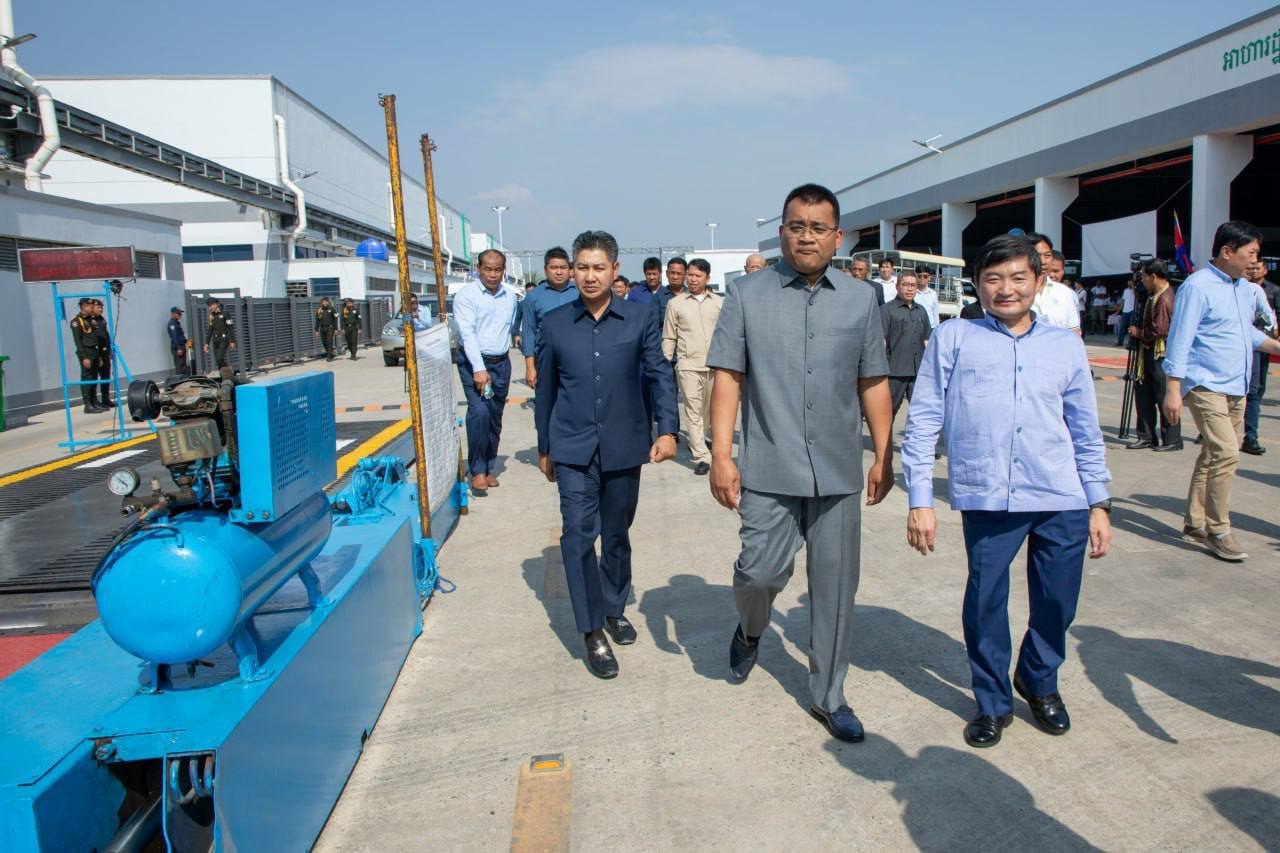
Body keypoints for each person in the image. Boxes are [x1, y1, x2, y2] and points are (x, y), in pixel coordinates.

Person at [903, 234, 1113, 749]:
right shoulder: (954, 337)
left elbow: (1085, 429)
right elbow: (925, 417)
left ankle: (1039, 679)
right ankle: (993, 701)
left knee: (1057, 600)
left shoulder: (1064, 345)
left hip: (1060, 493)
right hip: (988, 495)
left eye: (1019, 277)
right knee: (986, 600)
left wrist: (1098, 501)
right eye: (993, 278)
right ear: (976, 283)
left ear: (1040, 282)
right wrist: (920, 499)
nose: (1006, 289)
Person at [707, 183, 893, 743]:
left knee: (835, 590)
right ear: (782, 231)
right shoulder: (747, 294)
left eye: (818, 228)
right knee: (758, 573)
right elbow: (728, 376)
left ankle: (829, 696)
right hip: (770, 464)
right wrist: (722, 455)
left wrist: (884, 455)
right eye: (796, 226)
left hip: (838, 470)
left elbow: (873, 380)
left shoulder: (861, 299)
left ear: (838, 237)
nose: (806, 237)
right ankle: (750, 629)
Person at [534, 230, 678, 679]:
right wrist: (545, 447)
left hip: (624, 445)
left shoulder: (639, 318)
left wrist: (667, 429)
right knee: (578, 536)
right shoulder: (555, 324)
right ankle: (592, 629)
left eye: (599, 267)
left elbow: (658, 373)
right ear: (572, 271)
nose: (590, 276)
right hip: (573, 446)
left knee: (616, 534)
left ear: (615, 270)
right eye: (582, 267)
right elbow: (546, 390)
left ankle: (614, 607)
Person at [1162, 221, 1280, 562]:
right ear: (1227, 252)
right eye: (1251, 253)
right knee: (1227, 452)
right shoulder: (1197, 287)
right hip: (1205, 383)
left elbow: (1244, 334)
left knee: (1212, 454)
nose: (1256, 261)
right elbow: (1180, 337)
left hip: (1236, 385)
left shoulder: (1244, 289)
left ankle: (1195, 520)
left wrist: (1274, 346)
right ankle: (1218, 529)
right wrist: (1173, 388)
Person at [454, 249, 520, 494]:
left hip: (501, 363)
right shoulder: (466, 296)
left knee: (494, 417)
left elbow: (508, 328)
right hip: (474, 362)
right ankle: (477, 470)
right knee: (479, 413)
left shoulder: (510, 297)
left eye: (497, 270)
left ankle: (489, 465)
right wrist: (479, 368)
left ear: (504, 271)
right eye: (488, 269)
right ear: (478, 269)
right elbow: (467, 334)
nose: (492, 274)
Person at [662, 257, 722, 475]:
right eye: (690, 275)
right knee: (693, 411)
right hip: (688, 365)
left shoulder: (719, 303)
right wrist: (664, 364)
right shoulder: (675, 304)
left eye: (698, 276)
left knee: (708, 411)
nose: (693, 279)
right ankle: (702, 457)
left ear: (707, 278)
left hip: (714, 365)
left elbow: (727, 334)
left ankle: (699, 441)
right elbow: (669, 336)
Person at [1126, 259, 1181, 452]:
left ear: (1153, 276)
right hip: (1148, 352)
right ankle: (1147, 436)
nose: (1142, 280)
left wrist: (1138, 332)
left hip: (1159, 353)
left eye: (1144, 276)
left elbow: (1160, 330)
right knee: (1144, 394)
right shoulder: (1154, 295)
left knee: (1161, 395)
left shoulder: (1165, 297)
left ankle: (1172, 438)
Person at [520, 247, 578, 390]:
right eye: (554, 268)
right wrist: (530, 368)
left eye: (563, 267)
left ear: (569, 270)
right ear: (546, 270)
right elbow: (528, 333)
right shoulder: (533, 297)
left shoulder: (580, 294)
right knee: (546, 401)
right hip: (545, 361)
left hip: (577, 361)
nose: (559, 272)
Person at [881, 272, 931, 420]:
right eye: (905, 285)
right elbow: (881, 341)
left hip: (918, 371)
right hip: (894, 371)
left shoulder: (921, 311)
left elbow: (927, 340)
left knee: (921, 413)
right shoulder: (886, 310)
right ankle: (885, 437)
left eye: (913, 285)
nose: (909, 289)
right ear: (897, 287)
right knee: (889, 412)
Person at [1242, 260, 1279, 455]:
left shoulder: (1269, 290)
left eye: (1256, 267)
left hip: (1260, 344)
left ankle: (1250, 437)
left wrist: (1274, 334)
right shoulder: (1234, 287)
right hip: (1238, 344)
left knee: (1255, 391)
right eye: (1250, 267)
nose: (1253, 271)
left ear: (1265, 270)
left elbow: (1272, 317)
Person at [1027, 233, 1081, 334]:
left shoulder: (1064, 292)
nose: (1043, 261)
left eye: (1047, 255)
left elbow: (1074, 330)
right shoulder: (1015, 292)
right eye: (1037, 255)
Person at [70, 298, 103, 413]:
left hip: (95, 352)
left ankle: (94, 401)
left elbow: (94, 339)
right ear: (83, 307)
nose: (92, 308)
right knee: (87, 378)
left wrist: (99, 356)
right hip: (86, 354)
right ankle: (88, 404)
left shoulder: (90, 320)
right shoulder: (76, 321)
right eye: (90, 306)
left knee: (94, 378)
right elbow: (78, 341)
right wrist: (84, 357)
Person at [90, 299, 115, 408]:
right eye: (98, 307)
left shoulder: (102, 319)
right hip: (96, 354)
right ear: (92, 308)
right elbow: (94, 339)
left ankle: (106, 398)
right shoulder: (90, 321)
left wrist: (109, 350)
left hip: (105, 353)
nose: (100, 309)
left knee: (105, 376)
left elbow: (106, 336)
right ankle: (94, 401)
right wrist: (98, 356)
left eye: (101, 307)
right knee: (94, 377)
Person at [204, 297, 236, 370]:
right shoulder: (211, 316)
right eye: (209, 306)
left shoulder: (225, 314)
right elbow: (210, 330)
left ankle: (228, 370)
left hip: (224, 339)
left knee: (219, 358)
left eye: (210, 306)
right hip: (215, 340)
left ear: (215, 304)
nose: (209, 308)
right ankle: (225, 373)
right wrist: (206, 343)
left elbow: (230, 328)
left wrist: (232, 341)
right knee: (218, 361)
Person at [167, 306, 189, 375]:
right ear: (173, 314)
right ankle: (179, 380)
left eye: (180, 313)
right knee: (180, 366)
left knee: (183, 366)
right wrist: (179, 348)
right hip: (178, 348)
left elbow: (180, 336)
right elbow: (175, 337)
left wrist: (186, 341)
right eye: (178, 313)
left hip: (181, 347)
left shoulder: (176, 323)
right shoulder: (172, 324)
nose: (180, 315)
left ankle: (184, 380)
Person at [315, 296, 338, 361]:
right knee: (324, 342)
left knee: (329, 341)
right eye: (323, 302)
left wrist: (336, 329)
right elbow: (317, 320)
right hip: (322, 328)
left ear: (328, 302)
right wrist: (316, 330)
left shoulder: (332, 309)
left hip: (330, 328)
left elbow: (335, 319)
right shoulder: (319, 310)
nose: (325, 303)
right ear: (322, 303)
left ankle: (329, 357)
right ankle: (331, 353)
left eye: (326, 302)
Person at [1117, 277, 1138, 347]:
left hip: (1132, 310)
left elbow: (1136, 296)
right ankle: (1120, 342)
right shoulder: (1125, 290)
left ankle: (1130, 343)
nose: (1129, 283)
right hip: (1125, 311)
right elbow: (1123, 301)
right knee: (1122, 327)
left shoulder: (1135, 289)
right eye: (1128, 282)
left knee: (1131, 327)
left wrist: (1133, 287)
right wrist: (1119, 310)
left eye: (1130, 281)